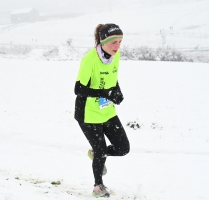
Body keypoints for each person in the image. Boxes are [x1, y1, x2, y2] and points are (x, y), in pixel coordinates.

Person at [74, 23, 130, 198]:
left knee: (123, 148)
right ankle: (98, 186)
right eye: (114, 42)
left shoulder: (116, 56)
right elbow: (78, 89)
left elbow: (114, 79)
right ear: (103, 41)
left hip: (107, 111)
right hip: (88, 113)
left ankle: (96, 153)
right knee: (101, 150)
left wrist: (117, 92)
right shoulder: (90, 59)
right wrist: (106, 93)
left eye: (120, 41)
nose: (117, 46)